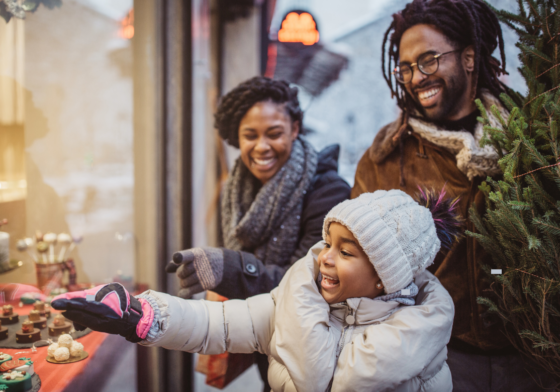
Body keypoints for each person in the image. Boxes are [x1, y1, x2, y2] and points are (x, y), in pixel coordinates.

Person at [52, 189, 458, 392]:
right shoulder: (303, 296)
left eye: (346, 251)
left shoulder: (416, 335)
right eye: (328, 244)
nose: (325, 258)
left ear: (387, 276)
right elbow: (223, 323)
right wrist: (143, 316)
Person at [352, 0, 556, 390]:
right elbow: (354, 267)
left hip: (537, 359)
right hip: (441, 362)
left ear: (468, 57)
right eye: (406, 67)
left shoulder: (530, 139)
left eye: (429, 60)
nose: (416, 77)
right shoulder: (384, 161)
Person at [165, 76, 350, 389]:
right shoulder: (235, 192)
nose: (262, 146)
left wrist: (229, 268)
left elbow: (309, 283)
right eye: (250, 135)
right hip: (267, 351)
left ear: (294, 128)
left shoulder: (329, 193)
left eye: (274, 134)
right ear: (237, 138)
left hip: (317, 360)